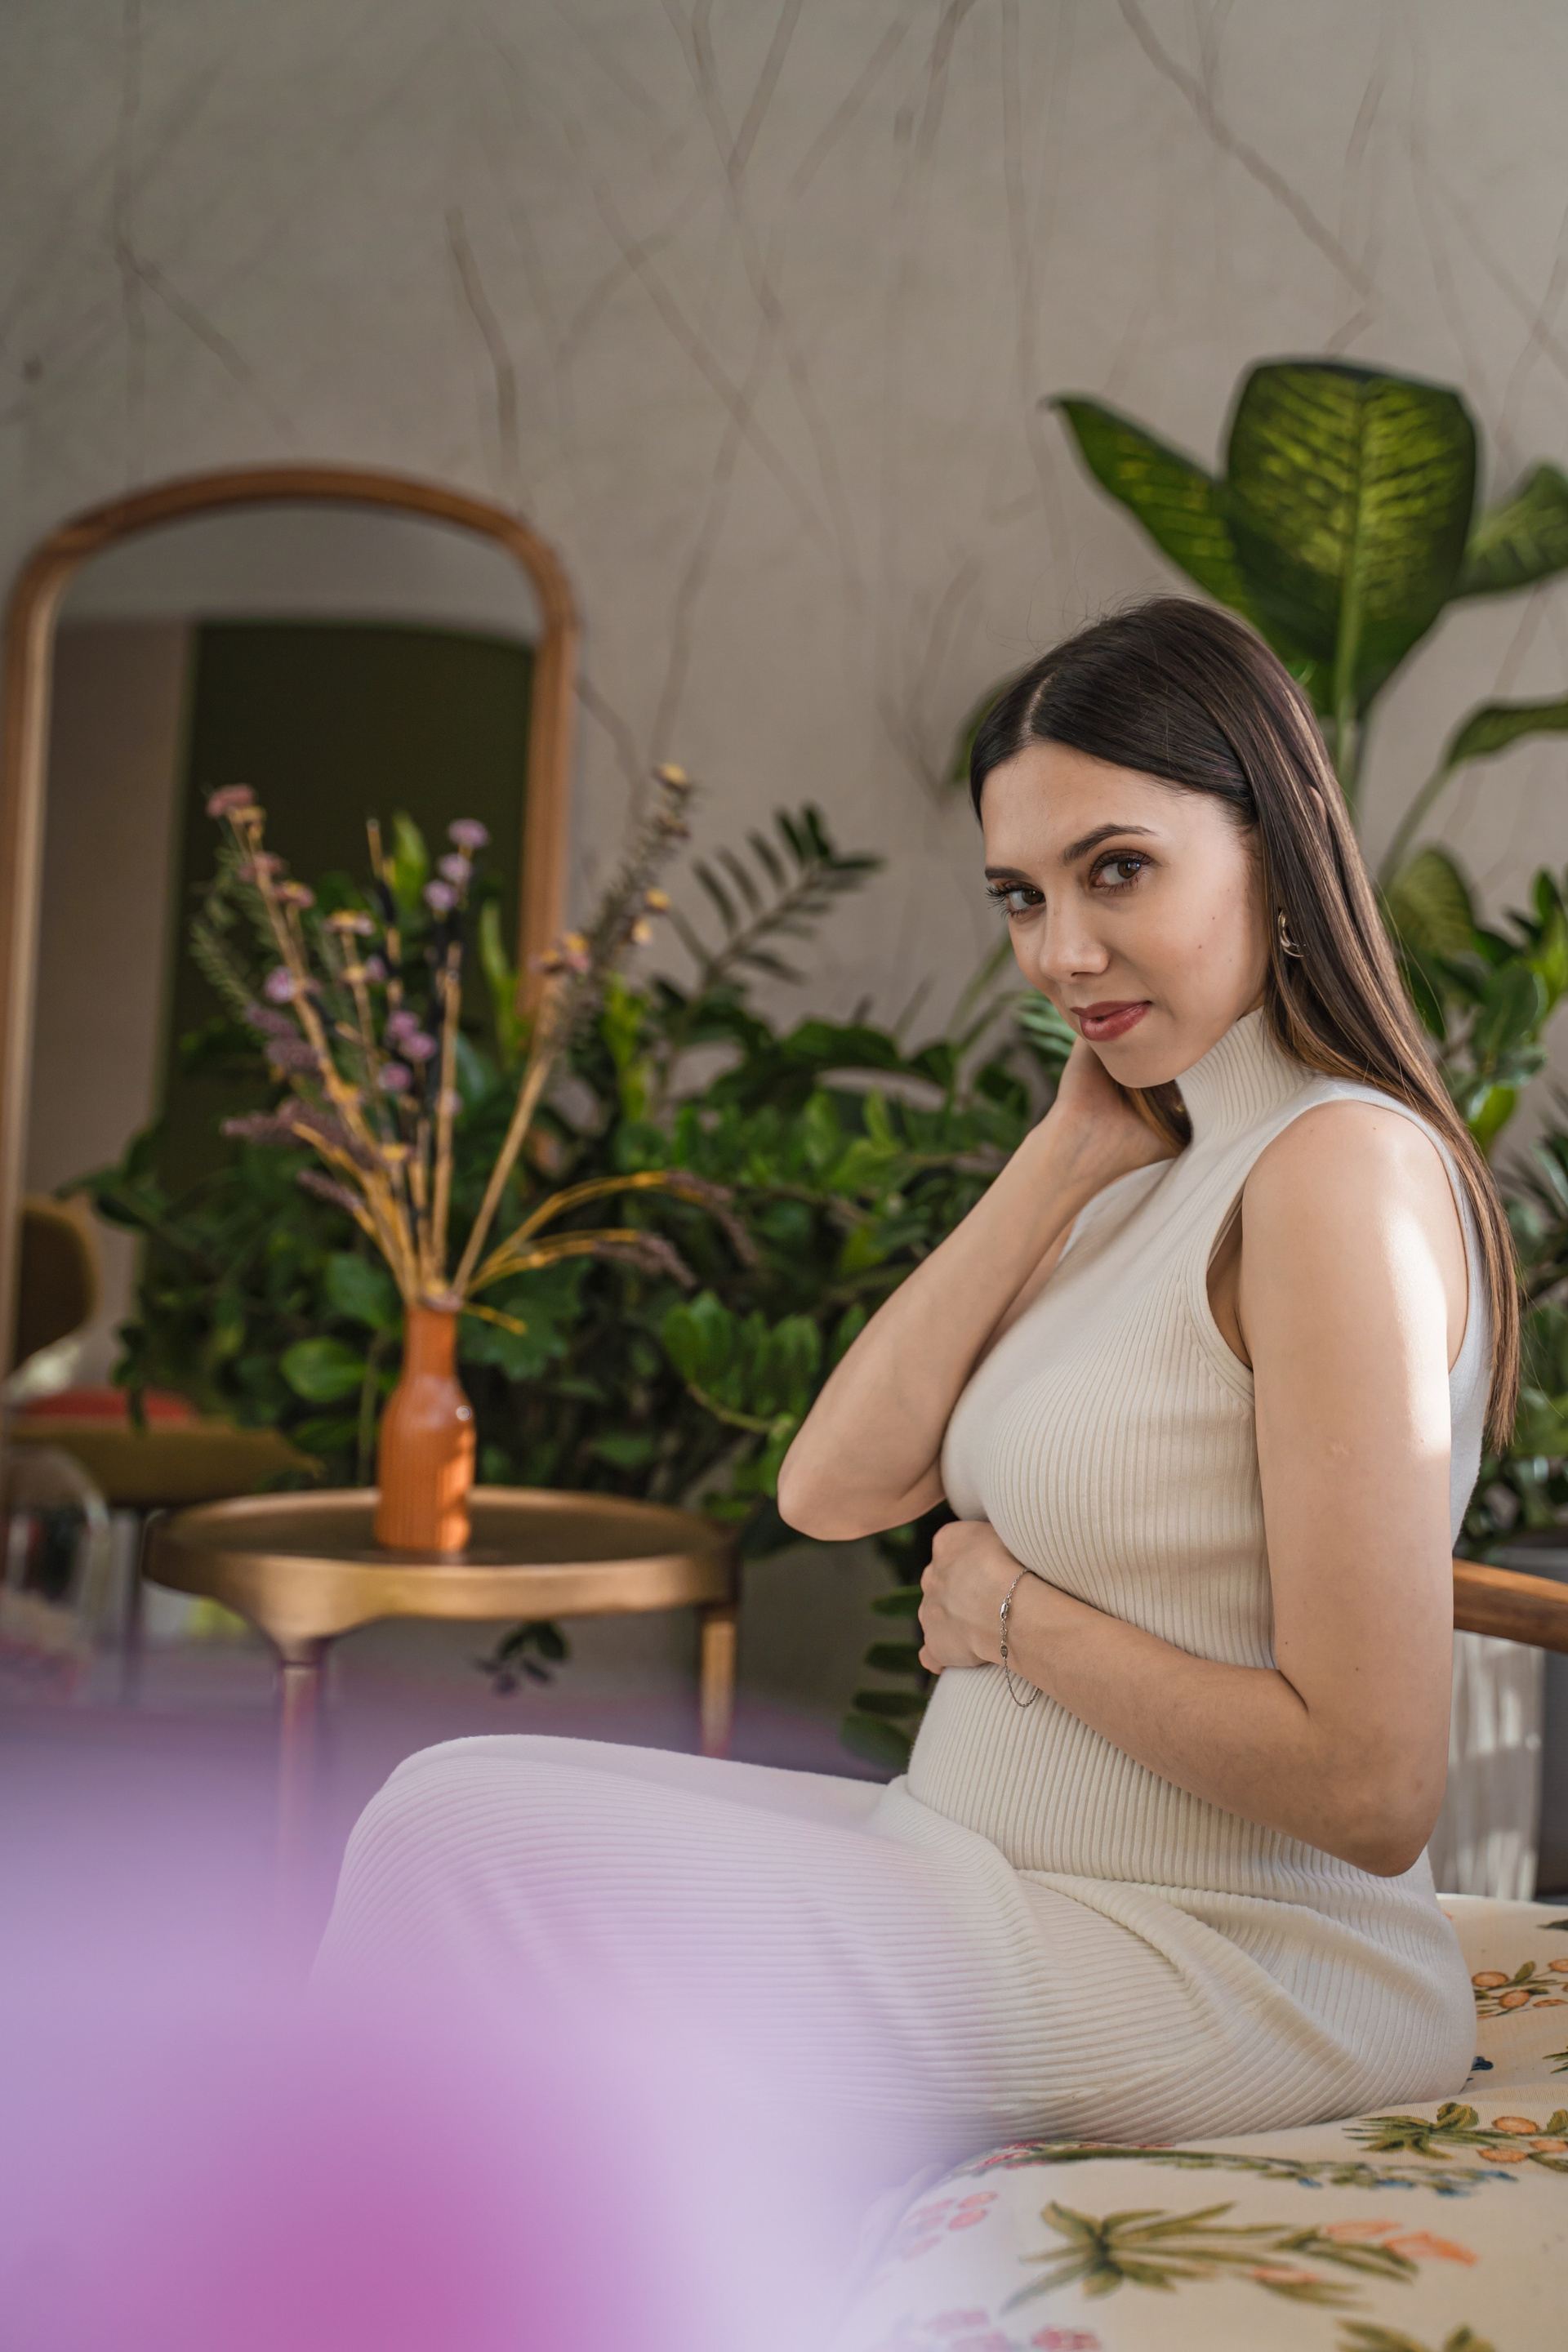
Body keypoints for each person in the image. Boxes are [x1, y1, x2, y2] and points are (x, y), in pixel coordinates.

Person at [315, 599, 1508, 2166]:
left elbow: (1373, 1784)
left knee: (451, 1844)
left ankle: (319, 2268)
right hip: (985, 1867)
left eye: (1118, 869)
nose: (1061, 953)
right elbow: (830, 1489)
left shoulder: (1334, 1169)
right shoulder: (1154, 1166)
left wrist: (1017, 1622)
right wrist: (1061, 1153)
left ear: (1274, 850)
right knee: (451, 1788)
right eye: (1022, 895)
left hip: (1236, 1959)